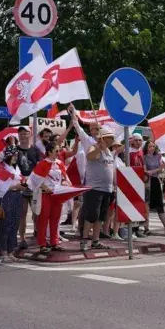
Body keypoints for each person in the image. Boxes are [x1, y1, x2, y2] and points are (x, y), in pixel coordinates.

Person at [71, 107, 116, 251]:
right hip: (94, 188)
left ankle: (96, 240)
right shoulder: (92, 147)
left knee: (101, 217)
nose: (111, 140)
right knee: (92, 216)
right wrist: (99, 148)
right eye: (109, 137)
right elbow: (90, 157)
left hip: (107, 189)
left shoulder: (109, 151)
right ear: (103, 138)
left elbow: (110, 169)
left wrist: (114, 186)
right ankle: (84, 240)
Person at [28, 142, 70, 254]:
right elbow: (34, 179)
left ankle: (54, 242)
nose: (58, 153)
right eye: (56, 151)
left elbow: (64, 177)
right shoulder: (42, 163)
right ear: (49, 151)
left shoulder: (60, 163)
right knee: (43, 219)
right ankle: (42, 243)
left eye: (59, 151)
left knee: (55, 219)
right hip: (45, 194)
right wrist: (43, 186)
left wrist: (65, 182)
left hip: (57, 194)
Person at [0, 145, 25, 263]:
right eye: (13, 155)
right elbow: (0, 186)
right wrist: (15, 186)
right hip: (6, 197)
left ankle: (11, 251)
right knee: (5, 224)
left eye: (16, 155)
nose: (15, 157)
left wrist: (22, 185)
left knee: (14, 224)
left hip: (17, 196)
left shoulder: (15, 168)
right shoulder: (1, 168)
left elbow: (19, 180)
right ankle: (4, 252)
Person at [16, 126, 42, 249]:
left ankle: (38, 233)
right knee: (22, 213)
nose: (23, 135)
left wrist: (32, 179)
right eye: (20, 133)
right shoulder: (15, 150)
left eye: (25, 133)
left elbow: (40, 167)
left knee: (37, 212)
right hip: (20, 186)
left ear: (30, 135)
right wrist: (21, 179)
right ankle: (22, 238)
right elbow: (11, 168)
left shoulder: (35, 150)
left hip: (34, 185)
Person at [144, 140, 165, 233]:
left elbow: (161, 170)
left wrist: (160, 169)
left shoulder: (158, 156)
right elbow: (146, 171)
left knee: (159, 204)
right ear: (146, 147)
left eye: (153, 146)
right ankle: (146, 228)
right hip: (148, 181)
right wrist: (158, 169)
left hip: (156, 180)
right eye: (150, 146)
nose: (152, 148)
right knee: (147, 204)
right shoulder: (144, 157)